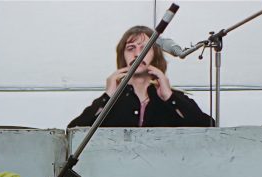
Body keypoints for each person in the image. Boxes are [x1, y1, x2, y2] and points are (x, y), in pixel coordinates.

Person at [68, 25, 214, 128]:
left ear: (155, 54)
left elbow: (209, 128)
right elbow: (73, 132)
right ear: (123, 56)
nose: (137, 54)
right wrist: (107, 96)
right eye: (131, 48)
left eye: (144, 48)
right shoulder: (111, 101)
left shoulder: (171, 97)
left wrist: (170, 97)